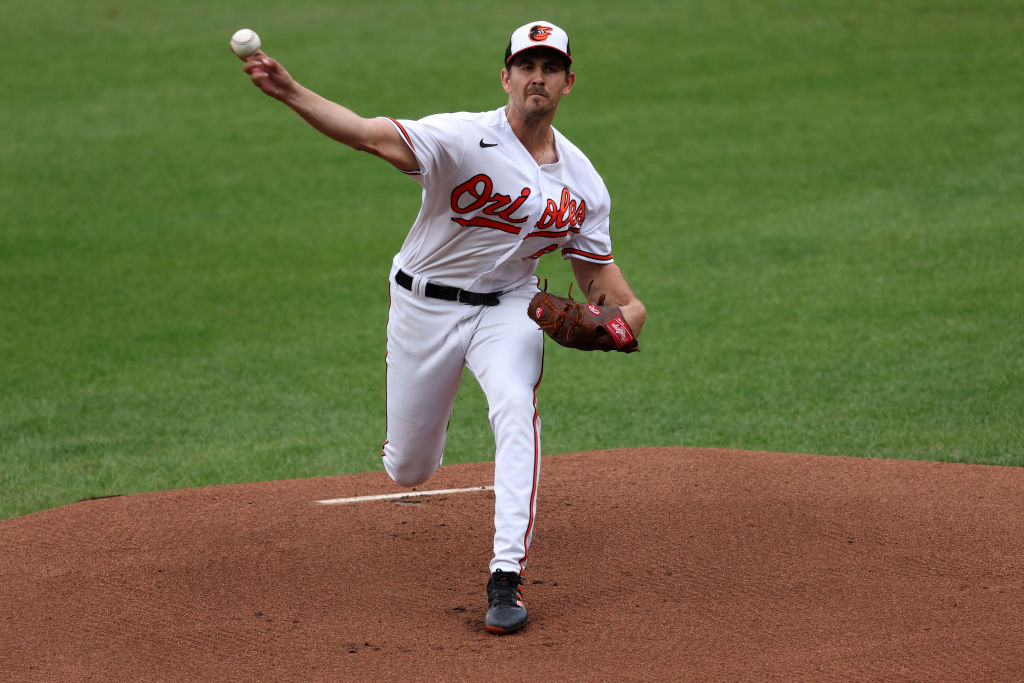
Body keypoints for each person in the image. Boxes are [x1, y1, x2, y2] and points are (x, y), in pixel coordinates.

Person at [241, 20, 646, 634]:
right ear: (506, 76)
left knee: (516, 407)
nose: (539, 77)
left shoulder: (584, 185)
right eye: (527, 66)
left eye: (552, 68)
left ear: (568, 83)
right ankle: (415, 439)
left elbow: (610, 291)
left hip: (510, 307)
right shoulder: (461, 137)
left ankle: (505, 576)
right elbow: (369, 136)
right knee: (409, 469)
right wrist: (292, 92)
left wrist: (618, 327)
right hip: (421, 307)